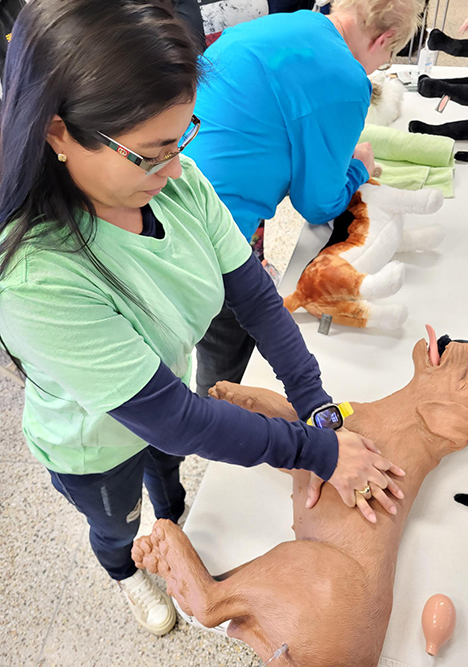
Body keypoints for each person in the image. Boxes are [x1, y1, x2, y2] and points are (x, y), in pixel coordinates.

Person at [0, 0, 405, 638]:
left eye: (183, 137)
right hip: (93, 445)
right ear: (57, 133)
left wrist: (318, 405)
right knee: (115, 516)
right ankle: (123, 569)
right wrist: (315, 450)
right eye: (150, 153)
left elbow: (255, 297)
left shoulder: (180, 184)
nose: (174, 169)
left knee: (169, 474)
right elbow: (174, 416)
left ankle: (175, 522)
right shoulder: (34, 277)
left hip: (161, 391)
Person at [185, 0, 423, 397]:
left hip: (172, 190)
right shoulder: (347, 79)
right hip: (214, 234)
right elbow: (318, 204)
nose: (380, 67)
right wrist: (360, 164)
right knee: (230, 345)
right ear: (383, 39)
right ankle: (221, 412)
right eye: (389, 55)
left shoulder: (278, 26)